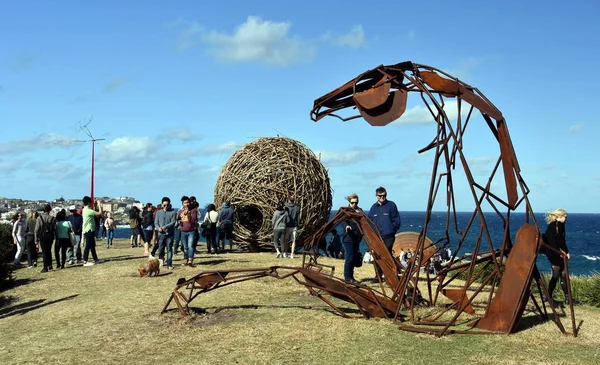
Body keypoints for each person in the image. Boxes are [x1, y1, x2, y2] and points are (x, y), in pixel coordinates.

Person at [368, 186, 401, 278]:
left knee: (386, 254)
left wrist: (392, 229)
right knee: (377, 255)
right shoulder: (373, 208)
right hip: (377, 237)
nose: (382, 197)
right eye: (380, 196)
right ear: (376, 196)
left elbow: (396, 220)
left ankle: (389, 274)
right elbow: (369, 221)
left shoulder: (391, 205)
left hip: (388, 236)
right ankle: (378, 275)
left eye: (384, 195)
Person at [543, 208, 571, 305]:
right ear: (560, 216)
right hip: (555, 253)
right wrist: (566, 252)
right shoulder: (559, 225)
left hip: (552, 252)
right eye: (565, 217)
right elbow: (560, 240)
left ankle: (550, 296)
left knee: (561, 274)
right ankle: (550, 296)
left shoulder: (551, 225)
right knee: (559, 275)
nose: (566, 219)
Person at [342, 194, 363, 284]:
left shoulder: (360, 211)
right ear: (349, 202)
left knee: (354, 258)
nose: (354, 204)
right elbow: (342, 220)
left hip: (356, 238)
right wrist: (346, 225)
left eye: (356, 202)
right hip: (348, 238)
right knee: (349, 258)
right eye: (352, 202)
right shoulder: (346, 211)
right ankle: (347, 277)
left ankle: (351, 277)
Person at [154, 197, 177, 270]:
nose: (166, 206)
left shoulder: (173, 212)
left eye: (167, 205)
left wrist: (165, 227)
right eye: (164, 205)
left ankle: (169, 264)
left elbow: (173, 222)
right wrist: (158, 228)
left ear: (169, 204)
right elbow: (156, 222)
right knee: (160, 249)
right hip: (161, 234)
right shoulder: (158, 212)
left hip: (169, 234)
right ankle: (161, 260)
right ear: (161, 205)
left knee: (169, 249)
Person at [81, 196, 104, 266]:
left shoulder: (85, 209)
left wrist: (95, 204)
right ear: (88, 202)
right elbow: (100, 213)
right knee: (88, 245)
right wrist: (99, 204)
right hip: (89, 230)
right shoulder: (88, 210)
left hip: (88, 230)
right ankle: (85, 261)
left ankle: (95, 259)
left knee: (92, 245)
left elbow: (93, 210)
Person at [35, 204, 56, 273]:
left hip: (42, 236)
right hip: (50, 236)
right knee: (49, 250)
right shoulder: (53, 218)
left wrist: (36, 239)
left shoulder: (39, 218)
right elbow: (55, 229)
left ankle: (45, 267)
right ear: (49, 210)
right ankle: (50, 265)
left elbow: (37, 229)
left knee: (44, 252)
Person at [178, 196, 198, 266]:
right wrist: (180, 220)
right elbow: (178, 220)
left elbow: (193, 220)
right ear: (182, 204)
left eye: (187, 202)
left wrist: (188, 214)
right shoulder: (180, 211)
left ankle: (190, 260)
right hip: (183, 230)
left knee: (190, 245)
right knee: (185, 247)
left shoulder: (193, 210)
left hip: (191, 231)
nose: (187, 204)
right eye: (185, 203)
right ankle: (186, 259)